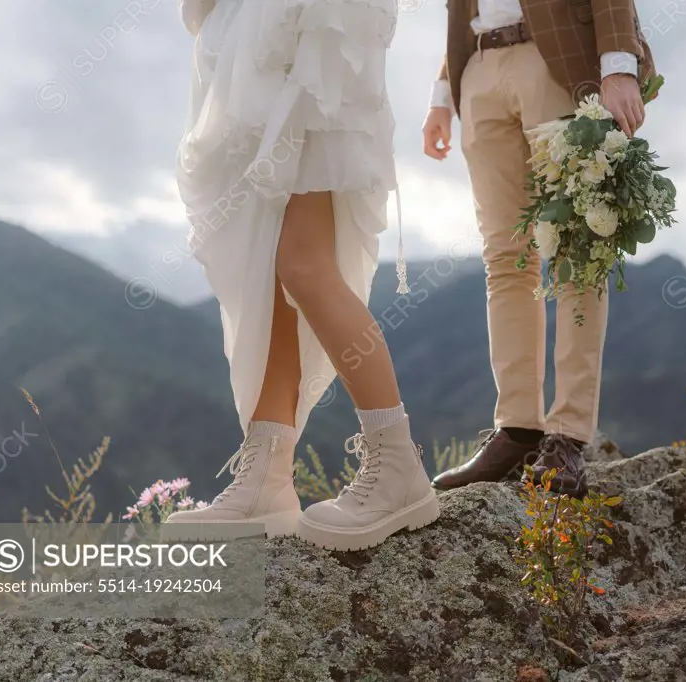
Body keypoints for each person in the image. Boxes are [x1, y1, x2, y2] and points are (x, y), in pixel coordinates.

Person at [165, 0, 439, 550]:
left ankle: (397, 464)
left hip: (314, 28)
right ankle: (267, 473)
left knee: (303, 263)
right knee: (270, 266)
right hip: (254, 33)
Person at [424, 0, 654, 497]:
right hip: (479, 71)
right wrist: (442, 94)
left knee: (578, 251)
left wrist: (619, 65)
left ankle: (568, 436)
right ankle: (518, 429)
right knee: (505, 259)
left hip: (554, 59)